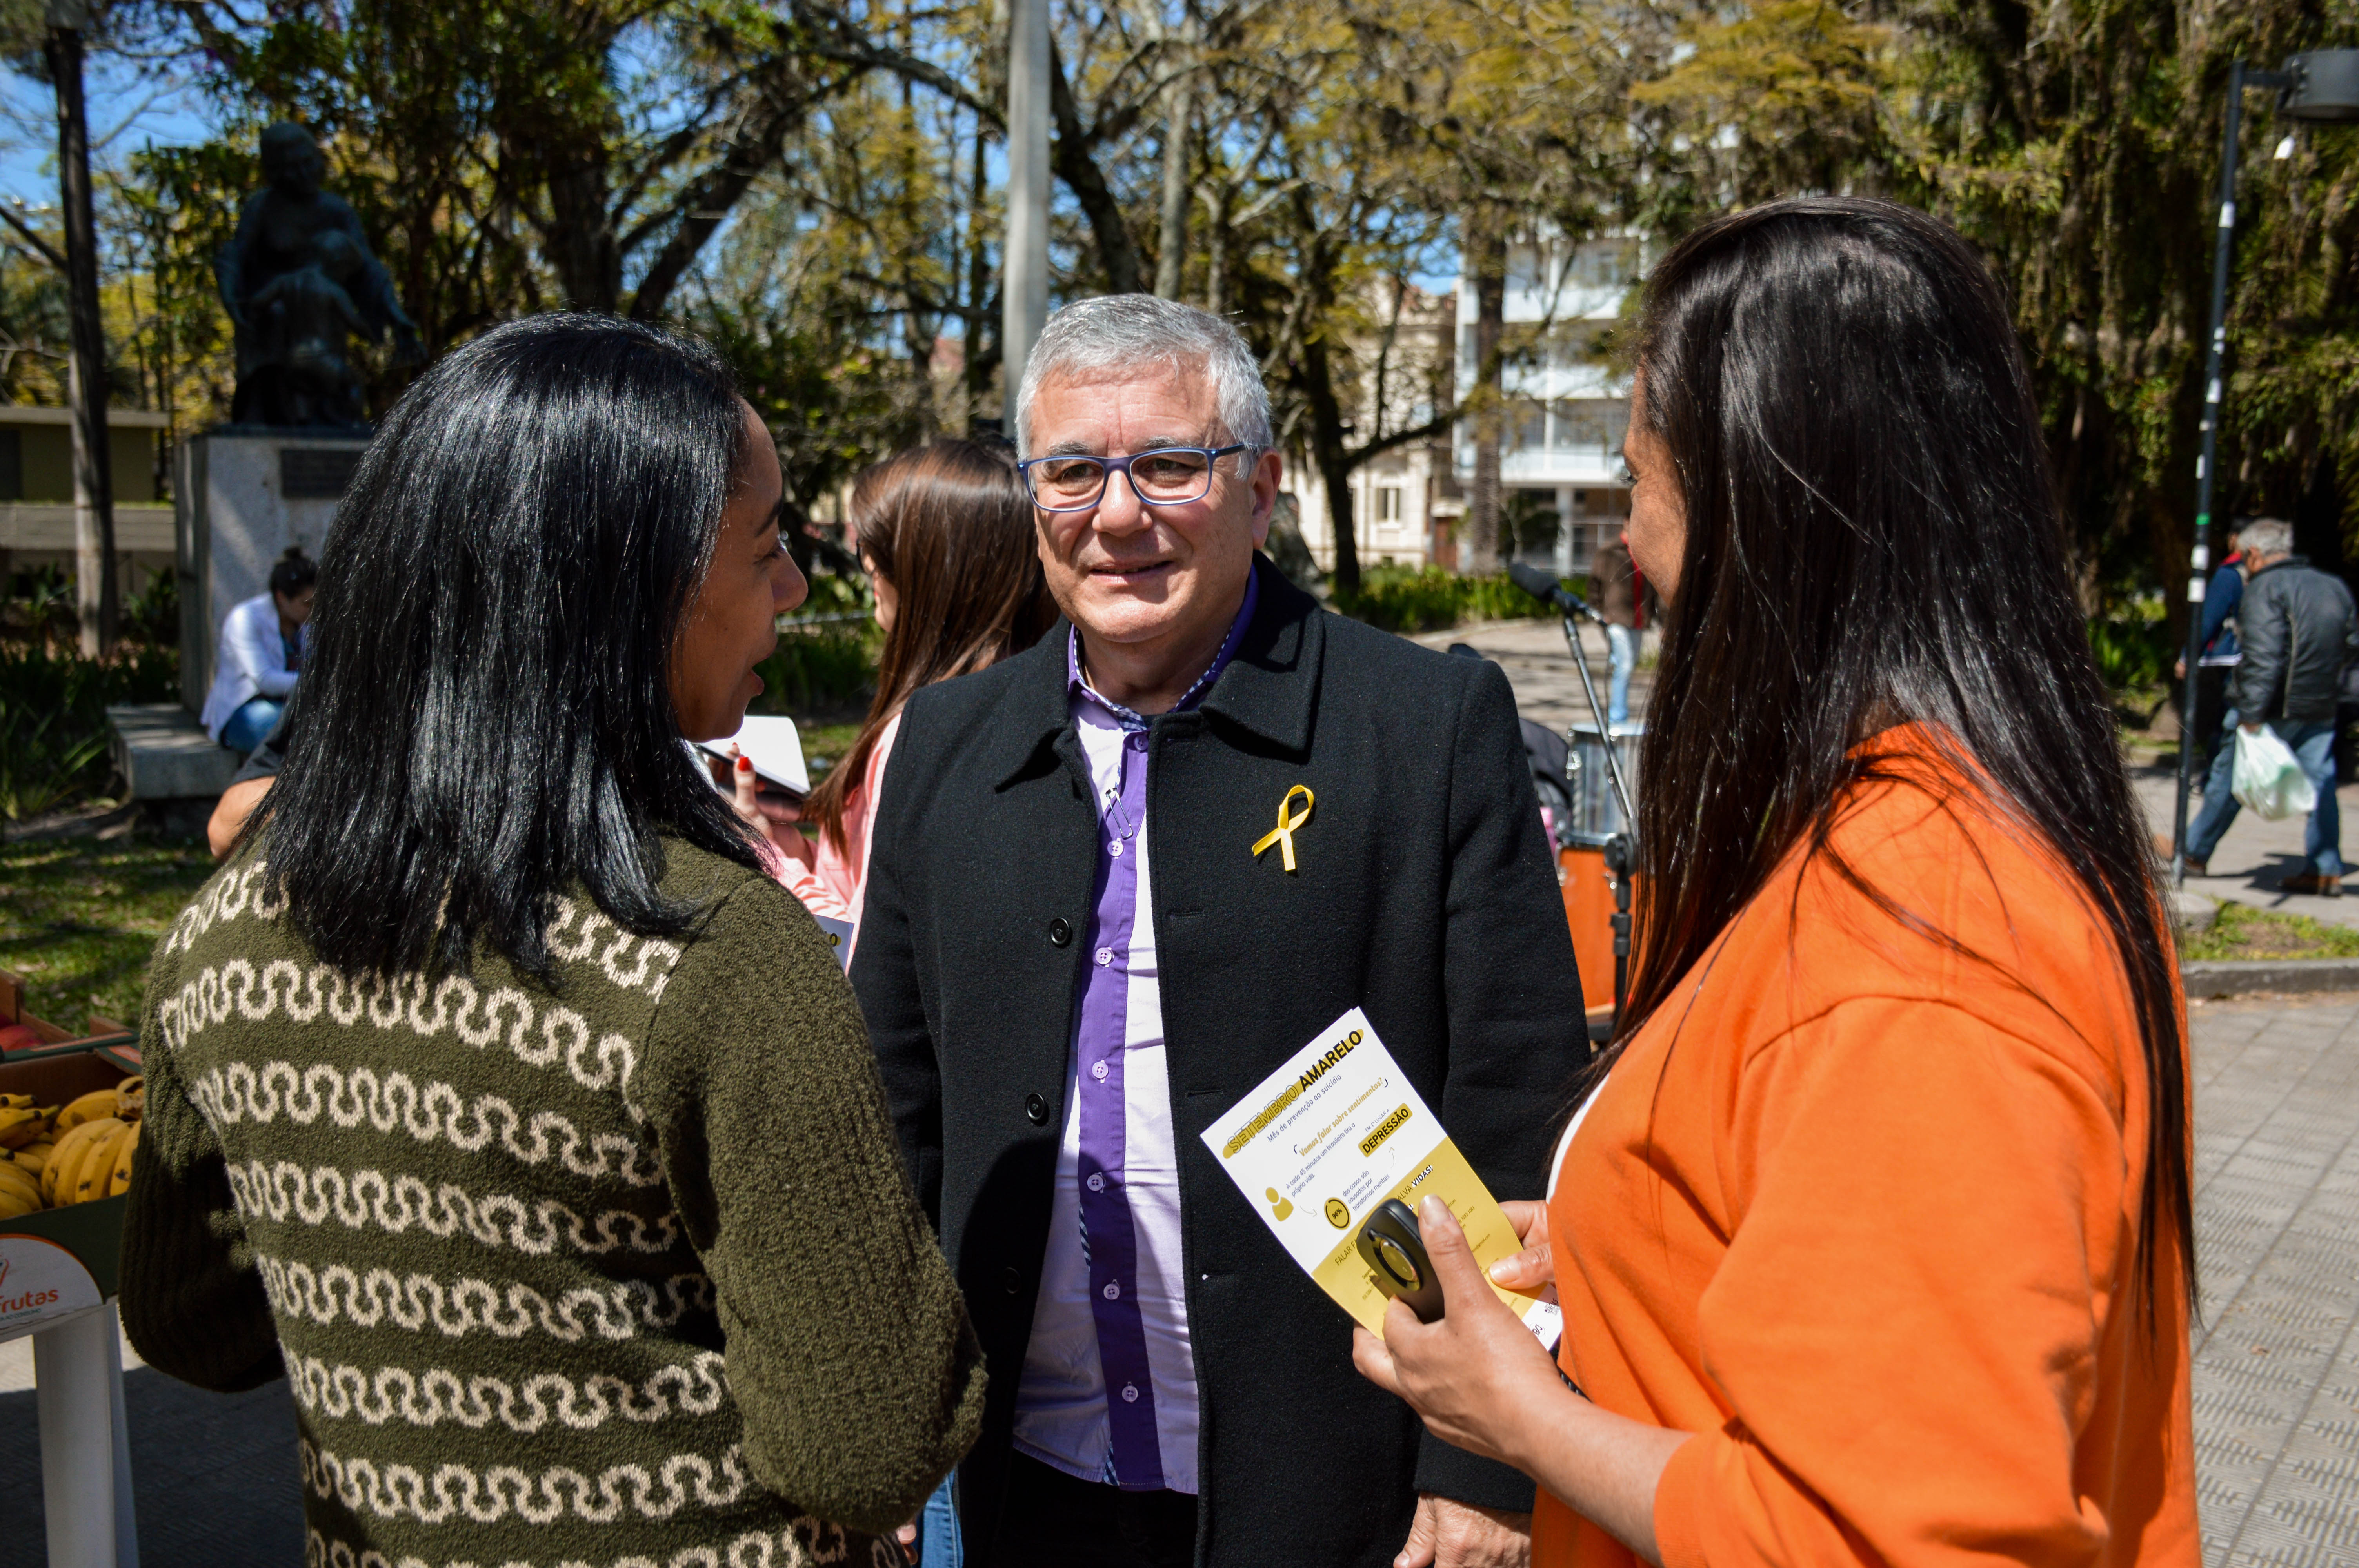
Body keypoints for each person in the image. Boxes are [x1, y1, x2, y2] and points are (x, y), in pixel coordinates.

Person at [1351, 198, 2198, 1568]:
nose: (1626, 543)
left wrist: (1520, 1420)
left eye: (1640, 479)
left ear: (1765, 498)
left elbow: (1884, 1538)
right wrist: (1616, 1245)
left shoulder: (1920, 941)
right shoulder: (1944, 833)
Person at [121, 315, 986, 1568]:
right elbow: (865, 1444)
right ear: (627, 596)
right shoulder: (712, 953)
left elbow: (190, 1323)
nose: (795, 588)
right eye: (764, 549)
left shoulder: (226, 933)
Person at [850, 294, 1586, 1568]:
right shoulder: (947, 749)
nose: (1117, 514)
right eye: (1073, 471)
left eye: (1169, 466)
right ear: (1033, 499)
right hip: (1026, 1489)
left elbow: (1510, 1111)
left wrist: (1486, 1469)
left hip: (1335, 1490)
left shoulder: (1420, 728)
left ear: (1259, 487)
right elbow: (886, 1127)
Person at [731, 438, 1057, 951]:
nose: (866, 565)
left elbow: (862, 955)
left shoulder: (922, 742)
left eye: (880, 548)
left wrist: (769, 857)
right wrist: (802, 850)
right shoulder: (1022, 716)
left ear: (933, 572)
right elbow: (882, 897)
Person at [2182, 516, 2359, 893]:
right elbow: (2352, 648)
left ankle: (2193, 853)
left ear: (2255, 554)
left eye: (2244, 558)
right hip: (2320, 708)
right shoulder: (2334, 587)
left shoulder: (2265, 588)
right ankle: (2325, 869)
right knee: (2321, 784)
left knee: (2228, 780)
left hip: (2271, 707)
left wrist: (2250, 714)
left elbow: (2263, 656)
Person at [200, 546, 315, 752]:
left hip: (292, 706)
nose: (313, 611)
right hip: (244, 710)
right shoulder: (246, 618)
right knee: (286, 727)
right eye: (307, 604)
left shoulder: (308, 623)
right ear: (282, 597)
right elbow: (265, 680)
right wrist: (320, 681)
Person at [2174, 526, 2243, 778]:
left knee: (2226, 719)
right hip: (2262, 657)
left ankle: (2213, 777)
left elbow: (2208, 619)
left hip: (2231, 656)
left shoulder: (2230, 573)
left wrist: (2187, 655)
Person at [1587, 527, 1644, 728]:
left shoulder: (1644, 551)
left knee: (1628, 663)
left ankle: (1618, 711)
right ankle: (1618, 718)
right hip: (1615, 618)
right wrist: (1598, 613)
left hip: (1637, 619)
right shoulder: (1610, 551)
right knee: (1626, 665)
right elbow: (1594, 583)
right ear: (1627, 522)